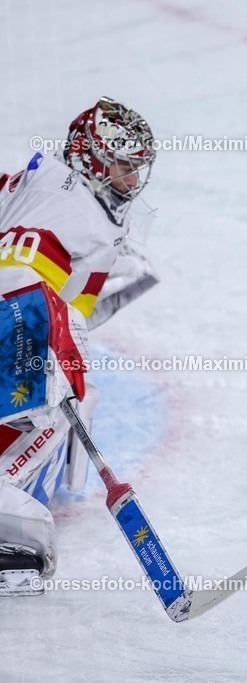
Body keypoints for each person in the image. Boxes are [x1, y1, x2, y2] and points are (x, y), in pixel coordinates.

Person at [0, 97, 158, 595]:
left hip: (18, 306)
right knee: (49, 410)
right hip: (12, 306)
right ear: (90, 161)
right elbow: (19, 282)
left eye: (138, 169)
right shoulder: (70, 207)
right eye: (122, 167)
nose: (133, 181)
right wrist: (59, 356)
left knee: (73, 403)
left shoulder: (54, 185)